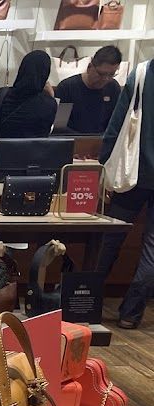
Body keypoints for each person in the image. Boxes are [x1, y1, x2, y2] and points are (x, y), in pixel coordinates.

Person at [98, 62, 154, 329]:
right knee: (152, 249)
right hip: (137, 172)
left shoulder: (142, 73)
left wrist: (105, 165)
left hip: (133, 171)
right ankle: (130, 314)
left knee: (110, 237)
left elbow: (116, 125)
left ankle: (87, 303)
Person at [0, 51, 57, 147]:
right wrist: (51, 96)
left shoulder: (0, 95)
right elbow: (47, 132)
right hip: (31, 159)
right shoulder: (48, 104)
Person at [54, 46, 123, 134]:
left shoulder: (113, 88)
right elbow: (60, 125)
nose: (106, 79)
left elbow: (115, 123)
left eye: (111, 75)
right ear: (89, 67)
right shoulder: (67, 88)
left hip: (102, 142)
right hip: (73, 143)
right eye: (101, 74)